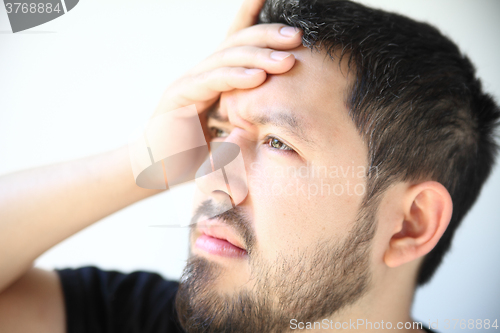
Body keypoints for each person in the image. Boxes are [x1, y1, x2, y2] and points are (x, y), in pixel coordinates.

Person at [0, 0, 498, 332]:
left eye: (278, 142)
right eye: (217, 133)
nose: (211, 177)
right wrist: (144, 161)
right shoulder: (140, 318)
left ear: (409, 224)